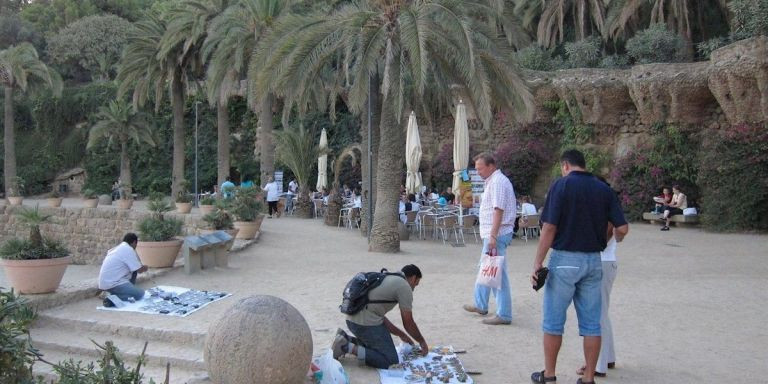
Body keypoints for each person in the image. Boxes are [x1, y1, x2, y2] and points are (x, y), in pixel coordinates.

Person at [529, 149, 629, 384]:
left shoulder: (561, 186)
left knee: (553, 322)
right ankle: (588, 378)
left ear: (565, 165)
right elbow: (622, 229)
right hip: (593, 260)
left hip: (564, 259)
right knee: (592, 325)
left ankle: (549, 374)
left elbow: (549, 227)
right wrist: (605, 240)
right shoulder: (603, 189)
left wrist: (538, 262)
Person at [332, 265, 428, 369]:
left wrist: (401, 335)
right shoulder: (404, 286)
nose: (413, 289)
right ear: (413, 278)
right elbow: (408, 322)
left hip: (352, 320)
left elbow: (380, 318)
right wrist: (422, 341)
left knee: (377, 346)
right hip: (363, 324)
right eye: (415, 284)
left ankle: (344, 338)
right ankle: (345, 347)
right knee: (390, 360)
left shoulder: (389, 277)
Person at [462, 153, 516, 325]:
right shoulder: (494, 181)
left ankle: (504, 314)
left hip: (497, 234)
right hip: (494, 234)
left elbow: (498, 210)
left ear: (491, 166)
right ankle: (481, 304)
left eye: (480, 168)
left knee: (496, 273)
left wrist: (493, 235)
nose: (478, 172)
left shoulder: (498, 182)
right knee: (486, 268)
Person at [98, 233, 148, 302]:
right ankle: (109, 296)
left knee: (134, 272)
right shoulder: (128, 249)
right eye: (136, 244)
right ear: (134, 242)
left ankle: (113, 293)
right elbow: (139, 270)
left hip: (107, 283)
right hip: (114, 284)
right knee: (140, 294)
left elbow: (134, 269)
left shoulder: (118, 248)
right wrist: (145, 267)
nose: (136, 247)